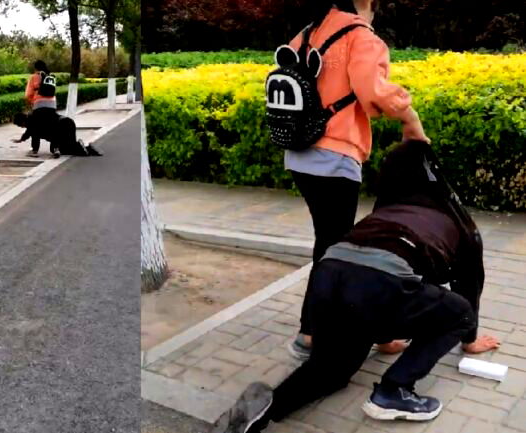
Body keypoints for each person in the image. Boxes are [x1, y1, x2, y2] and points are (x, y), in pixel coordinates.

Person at [211, 140, 501, 433]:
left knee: (330, 371)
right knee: (460, 313)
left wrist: (384, 338)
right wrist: (469, 338)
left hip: (327, 276)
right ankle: (394, 390)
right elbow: (469, 286)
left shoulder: (383, 211)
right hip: (378, 286)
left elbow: (377, 271)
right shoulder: (456, 221)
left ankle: (262, 413)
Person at [284, 0, 430, 360]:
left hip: (299, 153)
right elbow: (373, 92)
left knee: (332, 246)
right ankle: (313, 335)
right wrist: (411, 120)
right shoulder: (360, 36)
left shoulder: (307, 34)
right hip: (334, 156)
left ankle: (362, 333)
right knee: (338, 252)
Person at [13, 112, 102, 157]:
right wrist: (21, 139)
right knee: (68, 146)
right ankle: (88, 148)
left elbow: (34, 136)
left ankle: (81, 148)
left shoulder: (33, 123)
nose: (21, 127)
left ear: (23, 121)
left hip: (62, 126)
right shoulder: (33, 119)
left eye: (20, 125)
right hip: (68, 122)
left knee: (62, 150)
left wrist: (34, 151)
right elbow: (29, 132)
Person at [24, 60, 59, 158]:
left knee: (35, 127)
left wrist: (32, 101)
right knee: (53, 127)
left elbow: (28, 94)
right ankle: (56, 149)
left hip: (39, 104)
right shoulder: (51, 76)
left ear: (35, 68)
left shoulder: (34, 77)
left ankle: (35, 150)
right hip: (52, 105)